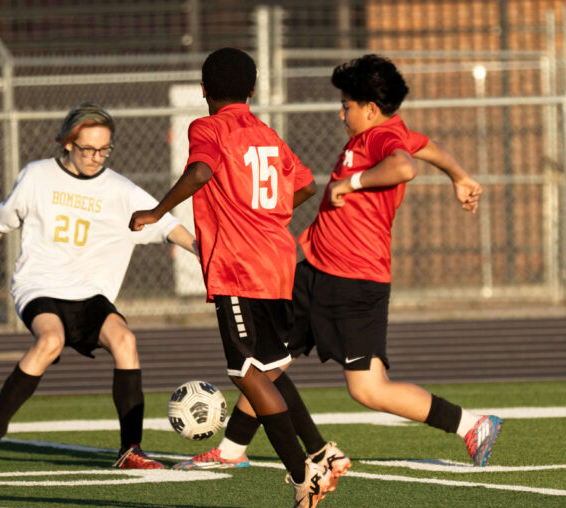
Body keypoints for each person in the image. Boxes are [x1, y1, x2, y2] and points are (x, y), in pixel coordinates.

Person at [176, 53, 501, 473]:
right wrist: (460, 177)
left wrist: (354, 181)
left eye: (346, 105)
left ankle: (471, 425)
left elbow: (405, 165)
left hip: (354, 282)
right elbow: (426, 147)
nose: (340, 112)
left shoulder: (384, 138)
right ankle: (231, 450)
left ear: (369, 108)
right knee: (264, 362)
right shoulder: (379, 134)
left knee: (369, 389)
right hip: (314, 269)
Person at [0, 102, 197, 469]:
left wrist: (201, 251)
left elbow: (166, 224)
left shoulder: (120, 189)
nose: (96, 157)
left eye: (105, 149)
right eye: (88, 148)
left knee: (125, 340)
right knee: (50, 339)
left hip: (91, 295)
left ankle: (131, 450)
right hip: (39, 286)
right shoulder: (37, 176)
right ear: (68, 143)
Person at [129, 47, 334, 508]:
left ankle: (305, 475)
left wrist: (158, 213)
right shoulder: (265, 132)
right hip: (279, 259)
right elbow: (304, 185)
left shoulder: (208, 126)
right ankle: (320, 453)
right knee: (268, 365)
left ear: (204, 90)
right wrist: (268, 215)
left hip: (240, 265)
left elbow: (201, 171)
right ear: (254, 89)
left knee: (245, 373)